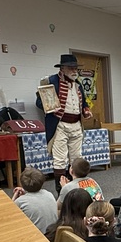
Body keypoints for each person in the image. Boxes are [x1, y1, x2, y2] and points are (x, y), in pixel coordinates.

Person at [38, 54, 92, 191]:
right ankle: (61, 191)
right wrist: (48, 104)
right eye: (71, 68)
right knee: (60, 159)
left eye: (75, 68)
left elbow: (83, 103)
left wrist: (86, 110)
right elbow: (39, 102)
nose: (74, 71)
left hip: (76, 125)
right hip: (60, 125)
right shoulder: (51, 81)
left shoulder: (78, 84)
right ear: (62, 68)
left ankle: (77, 189)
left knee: (77, 159)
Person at [11, 166, 57, 233]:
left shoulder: (20, 201)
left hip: (37, 235)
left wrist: (15, 195)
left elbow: (9, 213)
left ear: (21, 184)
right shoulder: (49, 194)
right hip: (53, 233)